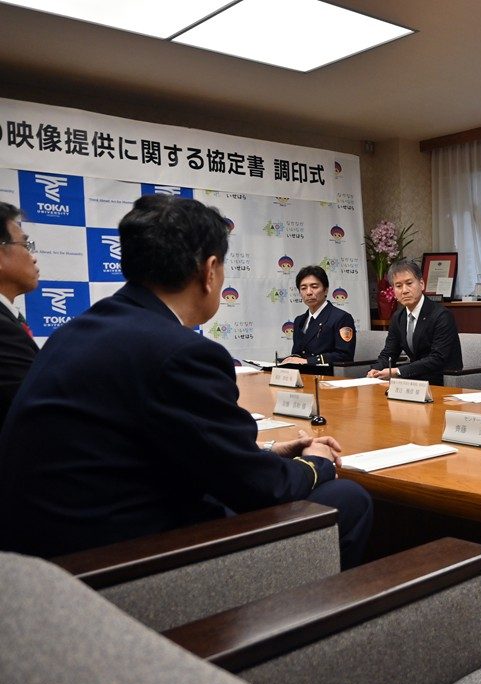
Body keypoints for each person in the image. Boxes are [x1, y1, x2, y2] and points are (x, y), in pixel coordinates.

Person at [0, 195, 372, 569]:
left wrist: (265, 454)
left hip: (45, 556)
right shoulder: (180, 353)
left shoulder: (78, 331)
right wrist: (316, 463)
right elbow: (262, 490)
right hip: (120, 567)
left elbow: (168, 446)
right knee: (347, 497)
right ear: (210, 271)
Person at [368, 259, 462, 385]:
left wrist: (398, 371)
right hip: (415, 381)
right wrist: (376, 369)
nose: (404, 290)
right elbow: (389, 352)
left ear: (421, 284)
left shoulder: (441, 315)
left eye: (409, 283)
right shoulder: (398, 317)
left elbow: (437, 358)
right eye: (398, 286)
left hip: (443, 381)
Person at [0, 202, 40, 430]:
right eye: (26, 245)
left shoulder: (10, 319)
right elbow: (37, 407)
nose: (33, 257)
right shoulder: (3, 330)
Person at [280, 265, 356, 366]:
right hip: (302, 373)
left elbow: (345, 356)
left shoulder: (341, 318)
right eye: (303, 288)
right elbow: (297, 354)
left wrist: (308, 361)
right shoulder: (299, 320)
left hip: (327, 373)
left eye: (314, 287)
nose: (308, 292)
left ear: (326, 290)